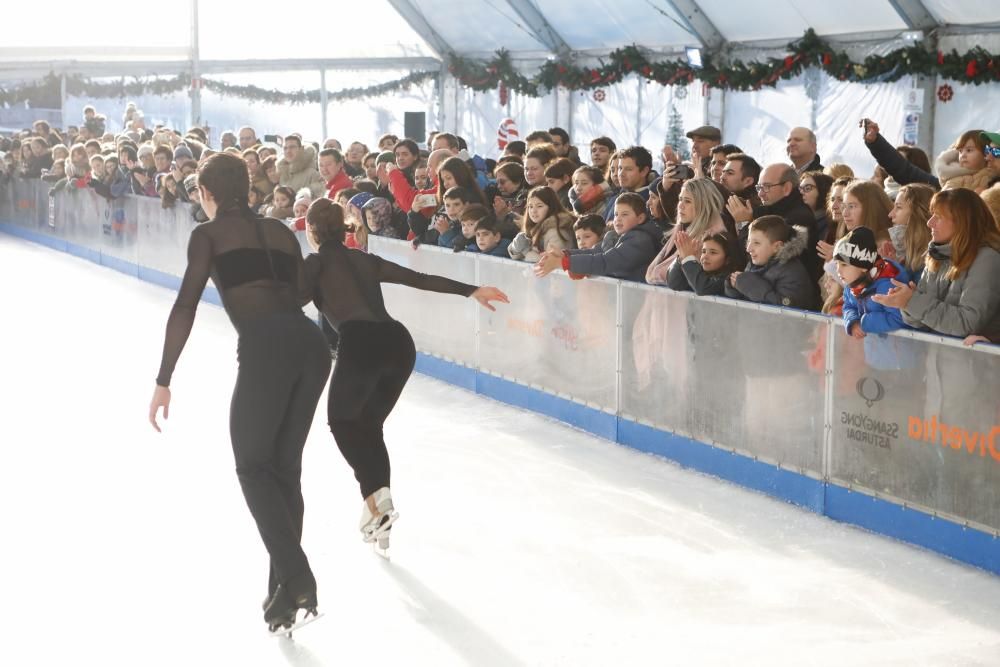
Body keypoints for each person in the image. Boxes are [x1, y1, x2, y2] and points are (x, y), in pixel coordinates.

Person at [148, 152, 332, 633]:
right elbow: (299, 296)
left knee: (253, 466)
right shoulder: (277, 231)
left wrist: (163, 378)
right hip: (310, 346)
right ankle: (283, 597)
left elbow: (186, 306)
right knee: (284, 471)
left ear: (208, 194)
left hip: (268, 344)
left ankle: (297, 576)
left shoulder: (207, 235)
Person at [299, 199, 508, 550]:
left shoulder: (315, 264)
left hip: (362, 344)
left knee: (342, 422)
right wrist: (470, 289)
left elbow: (291, 301)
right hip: (398, 343)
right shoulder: (363, 259)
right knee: (368, 426)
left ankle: (376, 502)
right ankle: (380, 514)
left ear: (311, 231)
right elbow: (418, 279)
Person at [874, 188, 1000, 340]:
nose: (929, 222)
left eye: (938, 217)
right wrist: (907, 302)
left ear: (962, 221)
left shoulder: (987, 259)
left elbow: (967, 323)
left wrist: (912, 301)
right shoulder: (937, 255)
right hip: (937, 358)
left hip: (972, 361)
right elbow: (920, 323)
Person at [534, 192, 662, 282]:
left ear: (640, 218)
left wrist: (563, 263)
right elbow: (595, 252)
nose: (618, 219)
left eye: (625, 214)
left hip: (637, 300)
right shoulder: (613, 236)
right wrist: (565, 254)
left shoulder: (640, 241)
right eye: (616, 214)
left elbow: (606, 261)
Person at [724, 215, 818, 310]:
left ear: (777, 247)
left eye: (756, 243)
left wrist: (754, 287)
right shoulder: (754, 263)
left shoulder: (792, 272)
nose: (749, 249)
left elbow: (787, 308)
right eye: (748, 242)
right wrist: (734, 288)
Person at [835, 226, 912, 339]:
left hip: (898, 351)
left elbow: (900, 318)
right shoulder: (852, 286)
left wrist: (865, 322)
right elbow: (848, 306)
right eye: (836, 264)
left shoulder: (887, 285)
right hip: (874, 351)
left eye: (844, 265)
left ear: (863, 266)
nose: (838, 270)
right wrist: (853, 321)